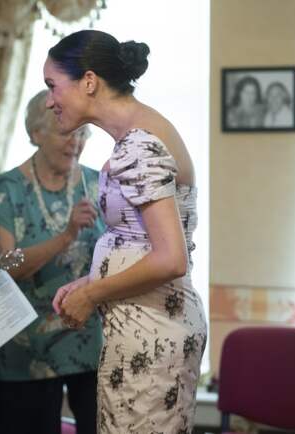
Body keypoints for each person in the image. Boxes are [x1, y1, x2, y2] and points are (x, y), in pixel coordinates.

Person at [46, 30, 207, 434]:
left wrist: (91, 293)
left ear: (88, 81)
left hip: (153, 334)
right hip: (147, 325)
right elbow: (142, 241)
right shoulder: (138, 134)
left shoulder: (138, 144)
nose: (49, 100)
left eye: (52, 86)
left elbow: (170, 258)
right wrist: (90, 278)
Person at [0, 89, 104, 434]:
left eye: (82, 132)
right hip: (27, 350)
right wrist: (65, 236)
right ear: (36, 133)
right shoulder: (7, 188)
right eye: (67, 132)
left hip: (91, 340)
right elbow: (4, 265)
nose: (77, 142)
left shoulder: (97, 182)